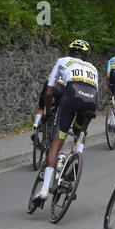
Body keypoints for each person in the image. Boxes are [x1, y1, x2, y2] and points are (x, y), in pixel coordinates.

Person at [34, 39, 99, 200]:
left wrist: (48, 113)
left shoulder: (62, 61)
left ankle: (43, 190)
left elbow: (48, 92)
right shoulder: (93, 68)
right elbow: (96, 91)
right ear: (86, 55)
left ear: (70, 52)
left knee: (56, 142)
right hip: (91, 100)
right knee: (80, 133)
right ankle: (76, 159)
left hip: (71, 96)